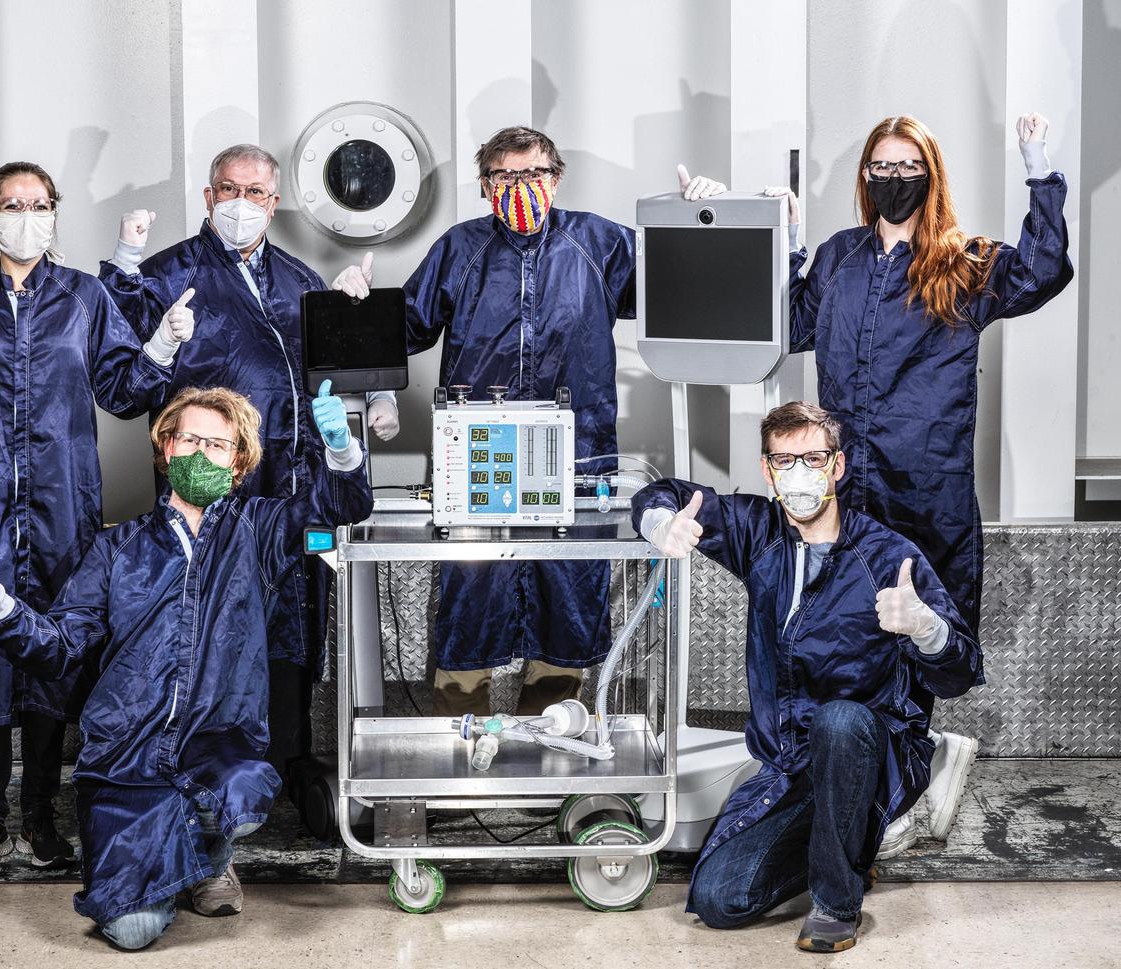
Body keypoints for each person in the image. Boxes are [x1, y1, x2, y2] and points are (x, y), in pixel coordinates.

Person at [695, 113, 1072, 855]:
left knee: (921, 632)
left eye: (905, 165)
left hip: (925, 486)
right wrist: (784, 238)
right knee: (851, 630)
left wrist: (1040, 169)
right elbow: (790, 326)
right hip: (848, 490)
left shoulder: (963, 262)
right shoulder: (839, 258)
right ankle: (875, 771)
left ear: (929, 174)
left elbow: (1045, 270)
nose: (891, 178)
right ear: (864, 178)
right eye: (878, 166)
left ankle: (911, 770)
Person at [0, 384, 373, 950]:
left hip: (216, 743)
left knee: (243, 794)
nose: (201, 453)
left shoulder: (259, 531)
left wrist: (341, 452)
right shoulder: (115, 551)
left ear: (239, 463)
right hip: (128, 756)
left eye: (218, 445)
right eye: (190, 439)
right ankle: (172, 861)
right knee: (132, 931)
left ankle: (209, 857)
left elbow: (340, 508)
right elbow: (56, 648)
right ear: (165, 448)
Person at [0, 161, 186, 873]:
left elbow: (121, 391)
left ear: (55, 213)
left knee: (54, 651)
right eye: (10, 204)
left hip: (64, 512)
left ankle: (43, 817)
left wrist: (160, 347)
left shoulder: (85, 298)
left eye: (37, 203)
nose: (24, 214)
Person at [384, 124, 722, 716]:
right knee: (471, 594)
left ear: (556, 178)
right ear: (486, 185)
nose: (520, 187)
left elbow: (677, 288)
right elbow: (404, 328)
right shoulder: (460, 251)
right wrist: (359, 315)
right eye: (505, 177)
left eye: (533, 174)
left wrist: (700, 225)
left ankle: (553, 735)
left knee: (569, 595)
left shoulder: (596, 242)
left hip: (578, 457)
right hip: (478, 458)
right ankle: (459, 746)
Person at [633, 401, 983, 952]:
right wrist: (660, 525)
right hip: (791, 763)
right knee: (721, 900)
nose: (798, 472)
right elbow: (669, 495)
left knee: (840, 720)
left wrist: (925, 628)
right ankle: (855, 839)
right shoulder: (760, 535)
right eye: (783, 460)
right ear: (769, 470)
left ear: (837, 467)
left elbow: (961, 670)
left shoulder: (889, 556)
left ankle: (836, 903)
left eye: (812, 458)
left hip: (872, 748)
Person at [98, 144, 393, 795]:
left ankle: (287, 759)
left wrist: (357, 326)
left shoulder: (299, 280)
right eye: (229, 190)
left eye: (256, 193)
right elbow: (116, 385)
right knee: (208, 629)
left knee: (289, 623)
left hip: (293, 488)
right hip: (215, 491)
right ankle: (205, 771)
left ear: (274, 201)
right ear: (208, 197)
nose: (242, 203)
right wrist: (127, 278)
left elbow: (332, 385)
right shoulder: (164, 277)